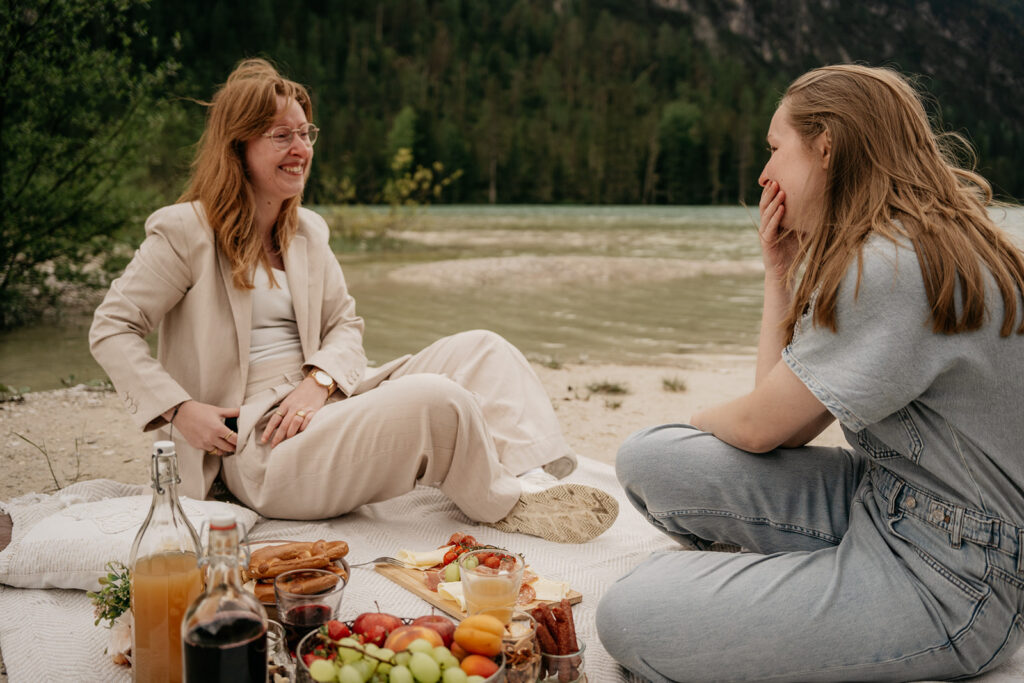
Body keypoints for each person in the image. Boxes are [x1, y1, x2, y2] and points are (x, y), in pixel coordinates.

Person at [597, 64, 1024, 681]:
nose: (764, 174)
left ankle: (779, 600)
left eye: (775, 149)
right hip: (889, 499)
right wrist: (781, 274)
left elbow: (761, 428)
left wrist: (702, 418)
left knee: (632, 614)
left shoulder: (892, 266)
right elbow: (785, 426)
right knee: (651, 458)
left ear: (826, 146)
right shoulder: (914, 242)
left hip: (955, 577)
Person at [90, 58, 617, 544]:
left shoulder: (308, 232)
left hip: (328, 398)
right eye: (281, 136)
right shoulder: (186, 230)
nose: (300, 148)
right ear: (238, 148)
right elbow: (112, 327)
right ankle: (503, 504)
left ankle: (529, 480)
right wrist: (181, 411)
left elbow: (345, 325)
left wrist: (318, 382)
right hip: (261, 444)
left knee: (484, 348)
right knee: (437, 400)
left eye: (305, 133)